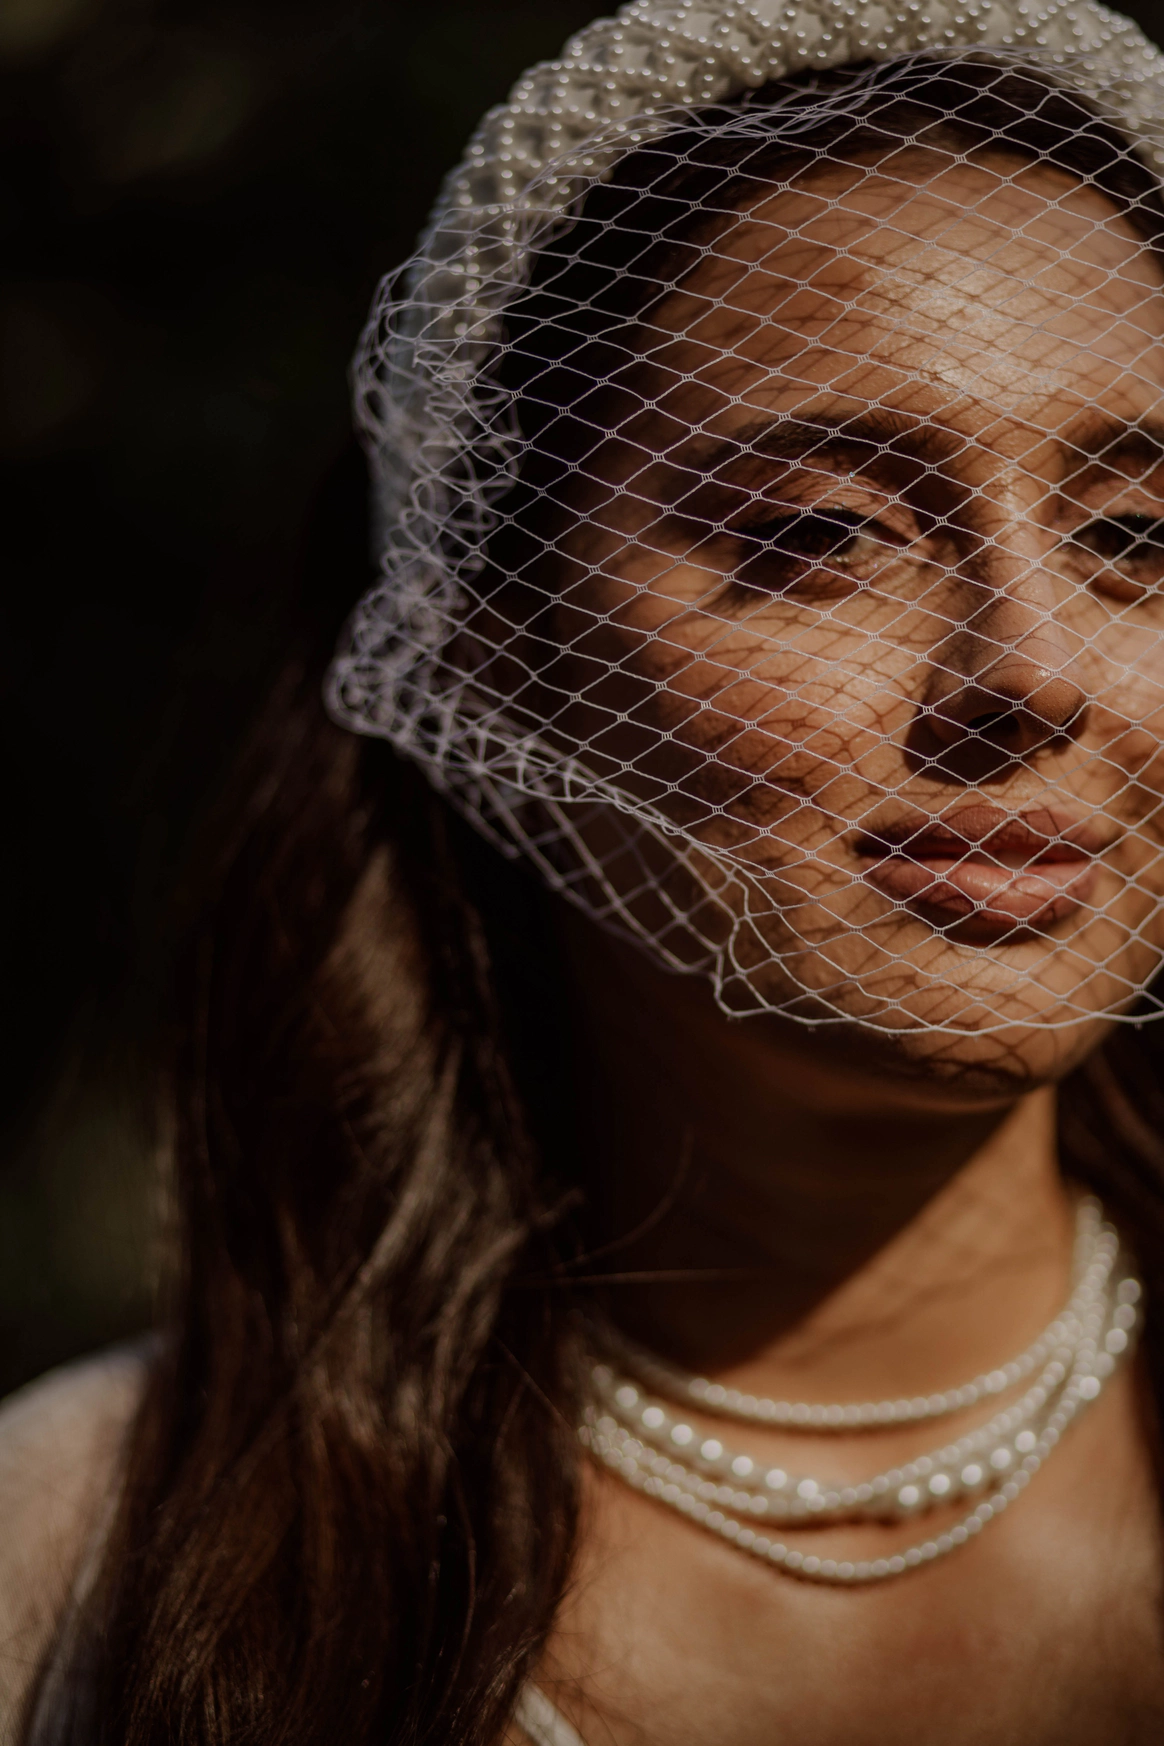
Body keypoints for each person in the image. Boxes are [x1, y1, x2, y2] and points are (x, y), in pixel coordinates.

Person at [5, 5, 1164, 1743]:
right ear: (495, 663)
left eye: (1137, 537)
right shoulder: (70, 1566)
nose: (1037, 672)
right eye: (821, 538)